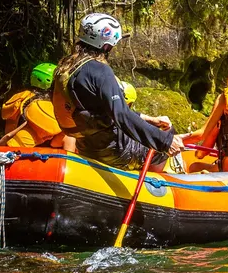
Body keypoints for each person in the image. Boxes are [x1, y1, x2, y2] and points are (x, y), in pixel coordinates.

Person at [52, 12, 187, 171]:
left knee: (157, 129)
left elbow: (102, 113)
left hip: (88, 148)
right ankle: (156, 183)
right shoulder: (101, 71)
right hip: (117, 153)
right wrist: (166, 142)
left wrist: (151, 119)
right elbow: (121, 115)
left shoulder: (67, 67)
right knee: (167, 132)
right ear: (107, 45)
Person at [0, 63, 75, 151]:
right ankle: (71, 160)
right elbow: (56, 140)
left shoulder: (21, 97)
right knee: (70, 137)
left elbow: (9, 130)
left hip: (16, 146)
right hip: (47, 151)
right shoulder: (57, 103)